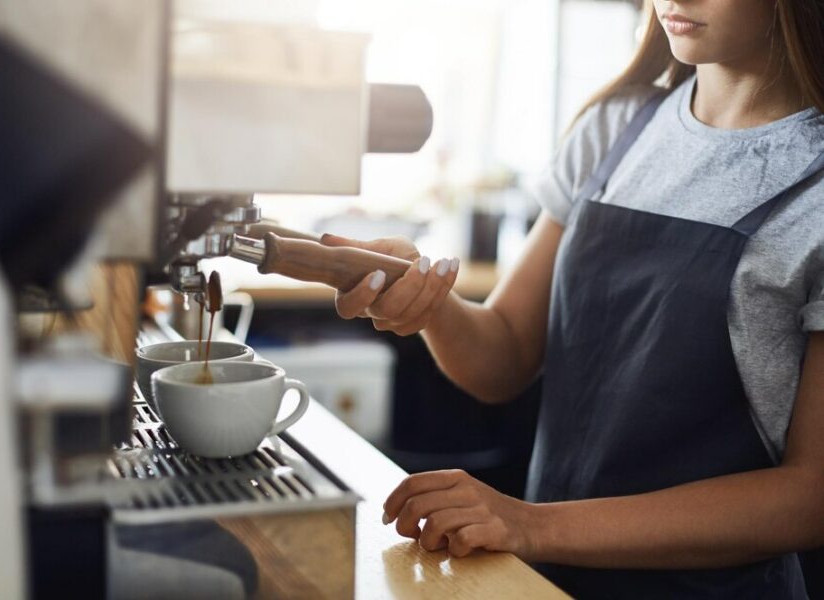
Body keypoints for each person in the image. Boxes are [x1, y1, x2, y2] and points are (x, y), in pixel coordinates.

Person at [322, 0, 824, 596]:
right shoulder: (615, 127)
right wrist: (429, 304)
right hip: (543, 579)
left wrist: (528, 523)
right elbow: (505, 354)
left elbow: (810, 495)